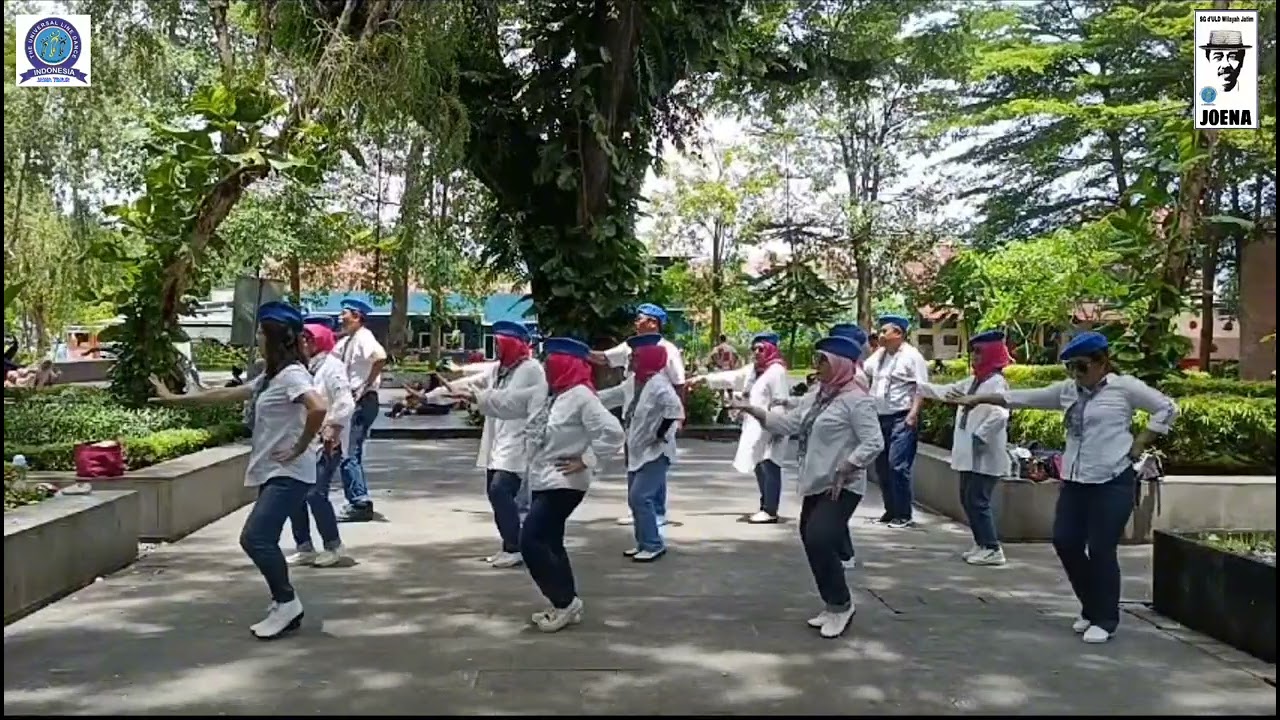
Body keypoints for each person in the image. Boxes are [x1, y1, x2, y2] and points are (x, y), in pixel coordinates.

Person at [944, 331, 1178, 644]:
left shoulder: (1125, 388)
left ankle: (1106, 619)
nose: (1075, 375)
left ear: (1101, 362)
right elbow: (1024, 397)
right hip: (1076, 480)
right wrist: (979, 398)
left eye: (1081, 367)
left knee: (1100, 548)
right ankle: (1090, 607)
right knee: (1065, 541)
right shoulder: (1069, 390)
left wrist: (1140, 443)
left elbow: (1167, 408)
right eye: (1070, 368)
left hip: (1112, 480)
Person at [149, 301, 328, 639]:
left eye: (261, 332)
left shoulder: (292, 374)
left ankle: (287, 603)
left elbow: (318, 407)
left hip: (288, 474)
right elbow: (225, 395)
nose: (257, 337)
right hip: (275, 471)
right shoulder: (271, 376)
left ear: (274, 337)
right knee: (264, 539)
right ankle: (283, 603)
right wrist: (175, 399)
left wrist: (302, 446)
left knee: (255, 538)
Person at [461, 337, 625, 632]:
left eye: (552, 361)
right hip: (542, 478)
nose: (546, 366)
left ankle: (564, 601)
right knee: (551, 542)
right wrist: (476, 397)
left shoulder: (581, 397)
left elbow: (613, 433)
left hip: (566, 482)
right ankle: (565, 600)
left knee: (531, 541)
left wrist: (586, 459)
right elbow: (510, 402)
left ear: (566, 364)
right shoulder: (547, 393)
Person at [731, 334, 883, 639]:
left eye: (823, 361)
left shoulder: (856, 400)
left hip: (842, 485)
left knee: (820, 538)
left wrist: (848, 465)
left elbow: (874, 441)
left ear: (840, 364)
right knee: (811, 541)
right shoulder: (819, 396)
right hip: (816, 482)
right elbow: (790, 425)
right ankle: (832, 602)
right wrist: (752, 410)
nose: (817, 366)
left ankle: (841, 605)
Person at [443, 321, 546, 569]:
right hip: (498, 442)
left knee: (501, 490)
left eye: (501, 344)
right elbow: (473, 382)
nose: (497, 349)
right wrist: (430, 395)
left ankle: (516, 546)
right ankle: (510, 544)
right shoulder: (501, 370)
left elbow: (509, 401)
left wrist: (474, 396)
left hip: (519, 441)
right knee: (495, 493)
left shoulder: (531, 370)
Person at [914, 330, 1013, 566]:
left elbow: (1001, 413)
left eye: (980, 352)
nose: (975, 357)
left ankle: (992, 547)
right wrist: (919, 387)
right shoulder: (973, 382)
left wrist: (981, 435)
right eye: (974, 352)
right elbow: (947, 392)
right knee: (967, 499)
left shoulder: (997, 383)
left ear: (992, 354)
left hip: (985, 454)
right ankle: (981, 543)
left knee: (978, 501)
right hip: (970, 455)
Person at [590, 303, 685, 527]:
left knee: (653, 463)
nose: (635, 322)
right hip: (635, 415)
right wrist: (578, 353)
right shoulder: (632, 346)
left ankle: (656, 512)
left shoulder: (667, 350)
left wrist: (678, 418)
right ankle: (642, 511)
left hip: (657, 416)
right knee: (635, 463)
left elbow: (679, 384)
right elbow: (605, 358)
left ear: (653, 322)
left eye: (639, 318)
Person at [688, 332, 791, 524]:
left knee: (771, 465)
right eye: (754, 349)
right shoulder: (754, 370)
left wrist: (777, 426)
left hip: (771, 427)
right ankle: (764, 505)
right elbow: (731, 377)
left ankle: (770, 509)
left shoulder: (776, 371)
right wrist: (703, 379)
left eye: (762, 348)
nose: (757, 352)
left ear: (771, 349)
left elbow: (780, 401)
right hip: (756, 426)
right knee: (760, 465)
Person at [599, 334, 685, 561]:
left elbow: (675, 410)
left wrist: (660, 433)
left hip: (655, 451)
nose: (631, 361)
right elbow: (613, 395)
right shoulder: (634, 382)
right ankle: (643, 542)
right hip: (636, 449)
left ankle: (653, 544)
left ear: (647, 359)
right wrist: (586, 397)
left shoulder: (659, 385)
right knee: (634, 498)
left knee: (641, 497)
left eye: (635, 357)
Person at [287, 322, 355, 568]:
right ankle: (304, 546)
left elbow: (346, 402)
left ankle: (333, 545)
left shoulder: (332, 367)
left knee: (316, 493)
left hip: (326, 442)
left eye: (310, 338)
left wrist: (334, 426)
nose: (305, 343)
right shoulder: (303, 369)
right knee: (295, 495)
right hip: (305, 440)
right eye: (302, 338)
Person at [862, 315, 929, 529]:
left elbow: (921, 387)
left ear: (898, 334)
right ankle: (890, 510)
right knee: (881, 467)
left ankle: (904, 514)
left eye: (884, 331)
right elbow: (864, 373)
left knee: (897, 465)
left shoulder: (912, 356)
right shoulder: (880, 355)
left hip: (902, 417)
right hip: (879, 416)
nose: (880, 336)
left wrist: (913, 414)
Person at [332, 298, 387, 522]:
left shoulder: (364, 337)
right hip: (354, 401)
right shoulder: (348, 341)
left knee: (349, 452)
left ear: (356, 316)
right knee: (348, 451)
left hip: (362, 401)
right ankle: (356, 499)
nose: (339, 318)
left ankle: (360, 502)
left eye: (343, 313)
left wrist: (364, 386)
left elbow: (380, 357)